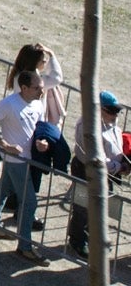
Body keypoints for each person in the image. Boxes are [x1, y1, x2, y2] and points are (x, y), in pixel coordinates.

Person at [0, 70, 54, 265]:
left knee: (4, 187)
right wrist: (3, 144)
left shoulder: (38, 104)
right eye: (36, 87)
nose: (41, 90)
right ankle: (25, 246)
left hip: (28, 159)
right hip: (16, 160)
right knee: (29, 202)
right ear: (23, 88)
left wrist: (42, 142)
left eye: (41, 87)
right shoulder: (9, 104)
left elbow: (39, 129)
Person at [65, 90, 127, 259]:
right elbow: (95, 157)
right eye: (111, 110)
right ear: (98, 109)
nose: (115, 114)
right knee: (82, 207)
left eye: (117, 111)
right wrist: (119, 166)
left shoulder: (112, 125)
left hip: (108, 175)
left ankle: (93, 238)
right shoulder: (87, 127)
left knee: (101, 207)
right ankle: (77, 240)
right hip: (85, 171)